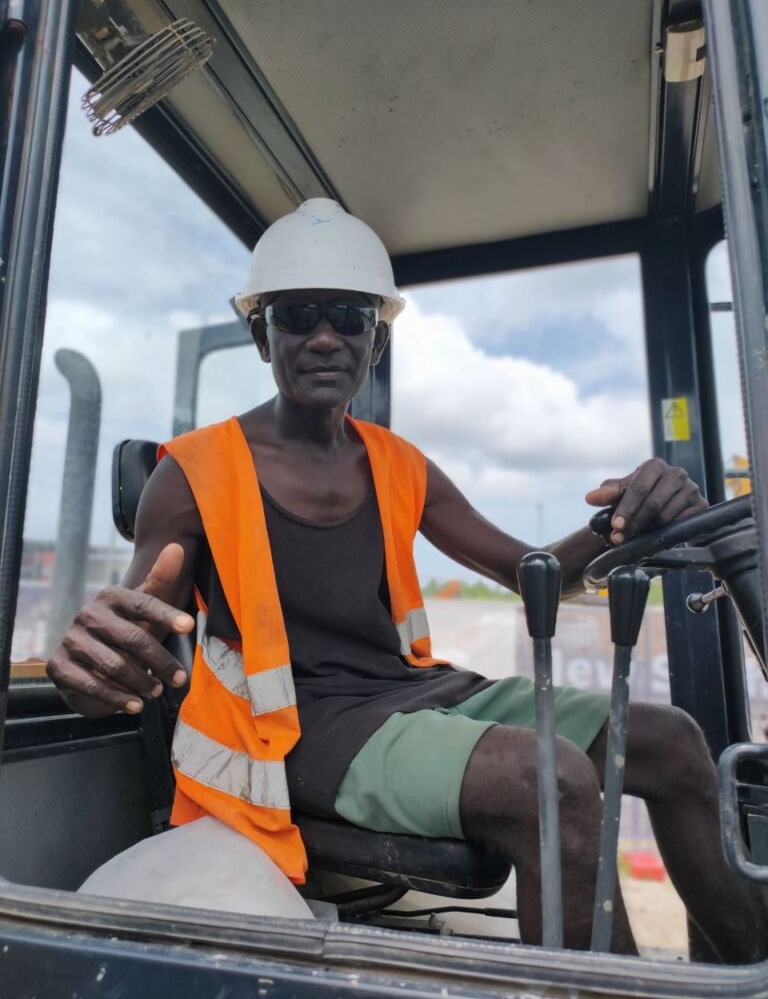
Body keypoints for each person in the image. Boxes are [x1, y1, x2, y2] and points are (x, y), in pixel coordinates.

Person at [48, 198, 766, 961]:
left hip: (410, 692)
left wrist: (620, 522)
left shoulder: (400, 464)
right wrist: (92, 668)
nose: (325, 336)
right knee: (549, 777)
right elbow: (130, 636)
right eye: (298, 315)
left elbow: (533, 577)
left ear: (377, 339)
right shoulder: (191, 473)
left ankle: (746, 966)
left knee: (671, 740)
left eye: (350, 318)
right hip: (293, 729)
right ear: (264, 337)